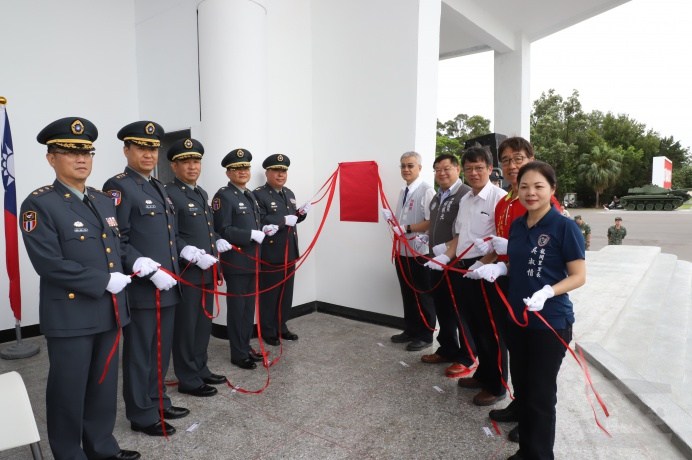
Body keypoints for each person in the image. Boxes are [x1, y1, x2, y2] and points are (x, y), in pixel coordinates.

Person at [21, 117, 140, 460]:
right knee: (68, 391)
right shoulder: (40, 204)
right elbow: (49, 263)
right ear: (51, 158)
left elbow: (114, 248)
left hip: (109, 309)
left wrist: (137, 262)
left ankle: (102, 447)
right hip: (71, 314)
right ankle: (70, 454)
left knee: (103, 387)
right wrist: (103, 281)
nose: (81, 159)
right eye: (69, 152)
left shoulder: (103, 200)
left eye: (86, 152)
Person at [471, 137, 563, 443]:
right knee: (515, 349)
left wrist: (512, 251)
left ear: (532, 158)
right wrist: (491, 262)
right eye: (507, 160)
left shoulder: (541, 199)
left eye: (519, 158)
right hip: (507, 281)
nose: (513, 165)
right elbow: (500, 245)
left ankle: (532, 421)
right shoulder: (504, 202)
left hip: (536, 288)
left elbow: (550, 251)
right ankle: (520, 404)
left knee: (536, 363)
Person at [103, 121, 189, 437]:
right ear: (127, 150)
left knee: (160, 350)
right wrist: (143, 266)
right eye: (141, 147)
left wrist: (187, 251)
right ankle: (141, 413)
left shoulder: (157, 186)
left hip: (167, 286)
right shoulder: (119, 186)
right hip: (143, 288)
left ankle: (158, 401)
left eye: (152, 148)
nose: (148, 153)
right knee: (141, 353)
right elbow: (116, 239)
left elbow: (168, 236)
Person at [505, 161, 585, 460]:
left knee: (539, 394)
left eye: (538, 186)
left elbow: (579, 275)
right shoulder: (517, 225)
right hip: (517, 318)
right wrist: (500, 267)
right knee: (523, 388)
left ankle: (539, 456)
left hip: (549, 323)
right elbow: (518, 264)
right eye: (524, 186)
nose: (530, 192)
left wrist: (549, 290)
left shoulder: (564, 226)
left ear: (552, 189)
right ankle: (527, 450)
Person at [425, 146, 508, 406]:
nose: (474, 173)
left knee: (491, 330)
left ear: (489, 169)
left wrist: (482, 264)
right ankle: (483, 374)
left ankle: (497, 385)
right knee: (473, 325)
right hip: (464, 266)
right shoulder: (467, 200)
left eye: (479, 168)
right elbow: (459, 236)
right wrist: (446, 256)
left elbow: (500, 240)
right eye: (470, 168)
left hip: (486, 269)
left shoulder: (499, 198)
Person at [165, 138, 233, 397]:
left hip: (207, 270)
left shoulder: (201, 192)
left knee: (203, 324)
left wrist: (218, 240)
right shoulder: (170, 193)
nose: (192, 166)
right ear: (174, 166)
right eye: (185, 162)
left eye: (196, 161)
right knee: (187, 326)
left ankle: (200, 368)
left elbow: (206, 229)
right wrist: (189, 252)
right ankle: (188, 377)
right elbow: (171, 234)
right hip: (187, 271)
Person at [213, 148, 277, 369]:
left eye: (245, 167)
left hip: (253, 261)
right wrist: (249, 235)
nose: (242, 171)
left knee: (248, 309)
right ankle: (238, 353)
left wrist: (263, 228)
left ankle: (245, 346)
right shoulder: (224, 196)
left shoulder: (248, 194)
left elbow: (253, 224)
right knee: (238, 308)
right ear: (228, 173)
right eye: (237, 168)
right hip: (237, 262)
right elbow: (222, 229)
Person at [420, 153, 476, 378]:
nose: (441, 173)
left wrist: (448, 252)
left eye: (446, 169)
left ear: (457, 169)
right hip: (437, 261)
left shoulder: (464, 194)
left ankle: (467, 356)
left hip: (455, 262)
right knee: (442, 307)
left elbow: (464, 231)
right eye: (437, 169)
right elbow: (434, 224)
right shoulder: (438, 196)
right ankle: (447, 348)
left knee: (461, 310)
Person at [382, 151, 436, 351]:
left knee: (422, 294)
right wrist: (392, 220)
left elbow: (431, 221)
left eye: (410, 165)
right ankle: (411, 330)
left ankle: (426, 334)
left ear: (419, 168)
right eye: (403, 166)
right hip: (403, 251)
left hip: (420, 252)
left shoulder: (426, 191)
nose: (406, 169)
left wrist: (407, 228)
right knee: (407, 293)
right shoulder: (402, 191)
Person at [254, 154, 309, 346]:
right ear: (267, 172)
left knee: (286, 293)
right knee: (270, 295)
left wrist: (300, 214)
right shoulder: (258, 194)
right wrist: (283, 220)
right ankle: (268, 331)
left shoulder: (289, 193)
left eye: (284, 171)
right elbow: (259, 220)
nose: (280, 174)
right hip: (271, 253)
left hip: (290, 252)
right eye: (276, 170)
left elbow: (291, 219)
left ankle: (281, 326)